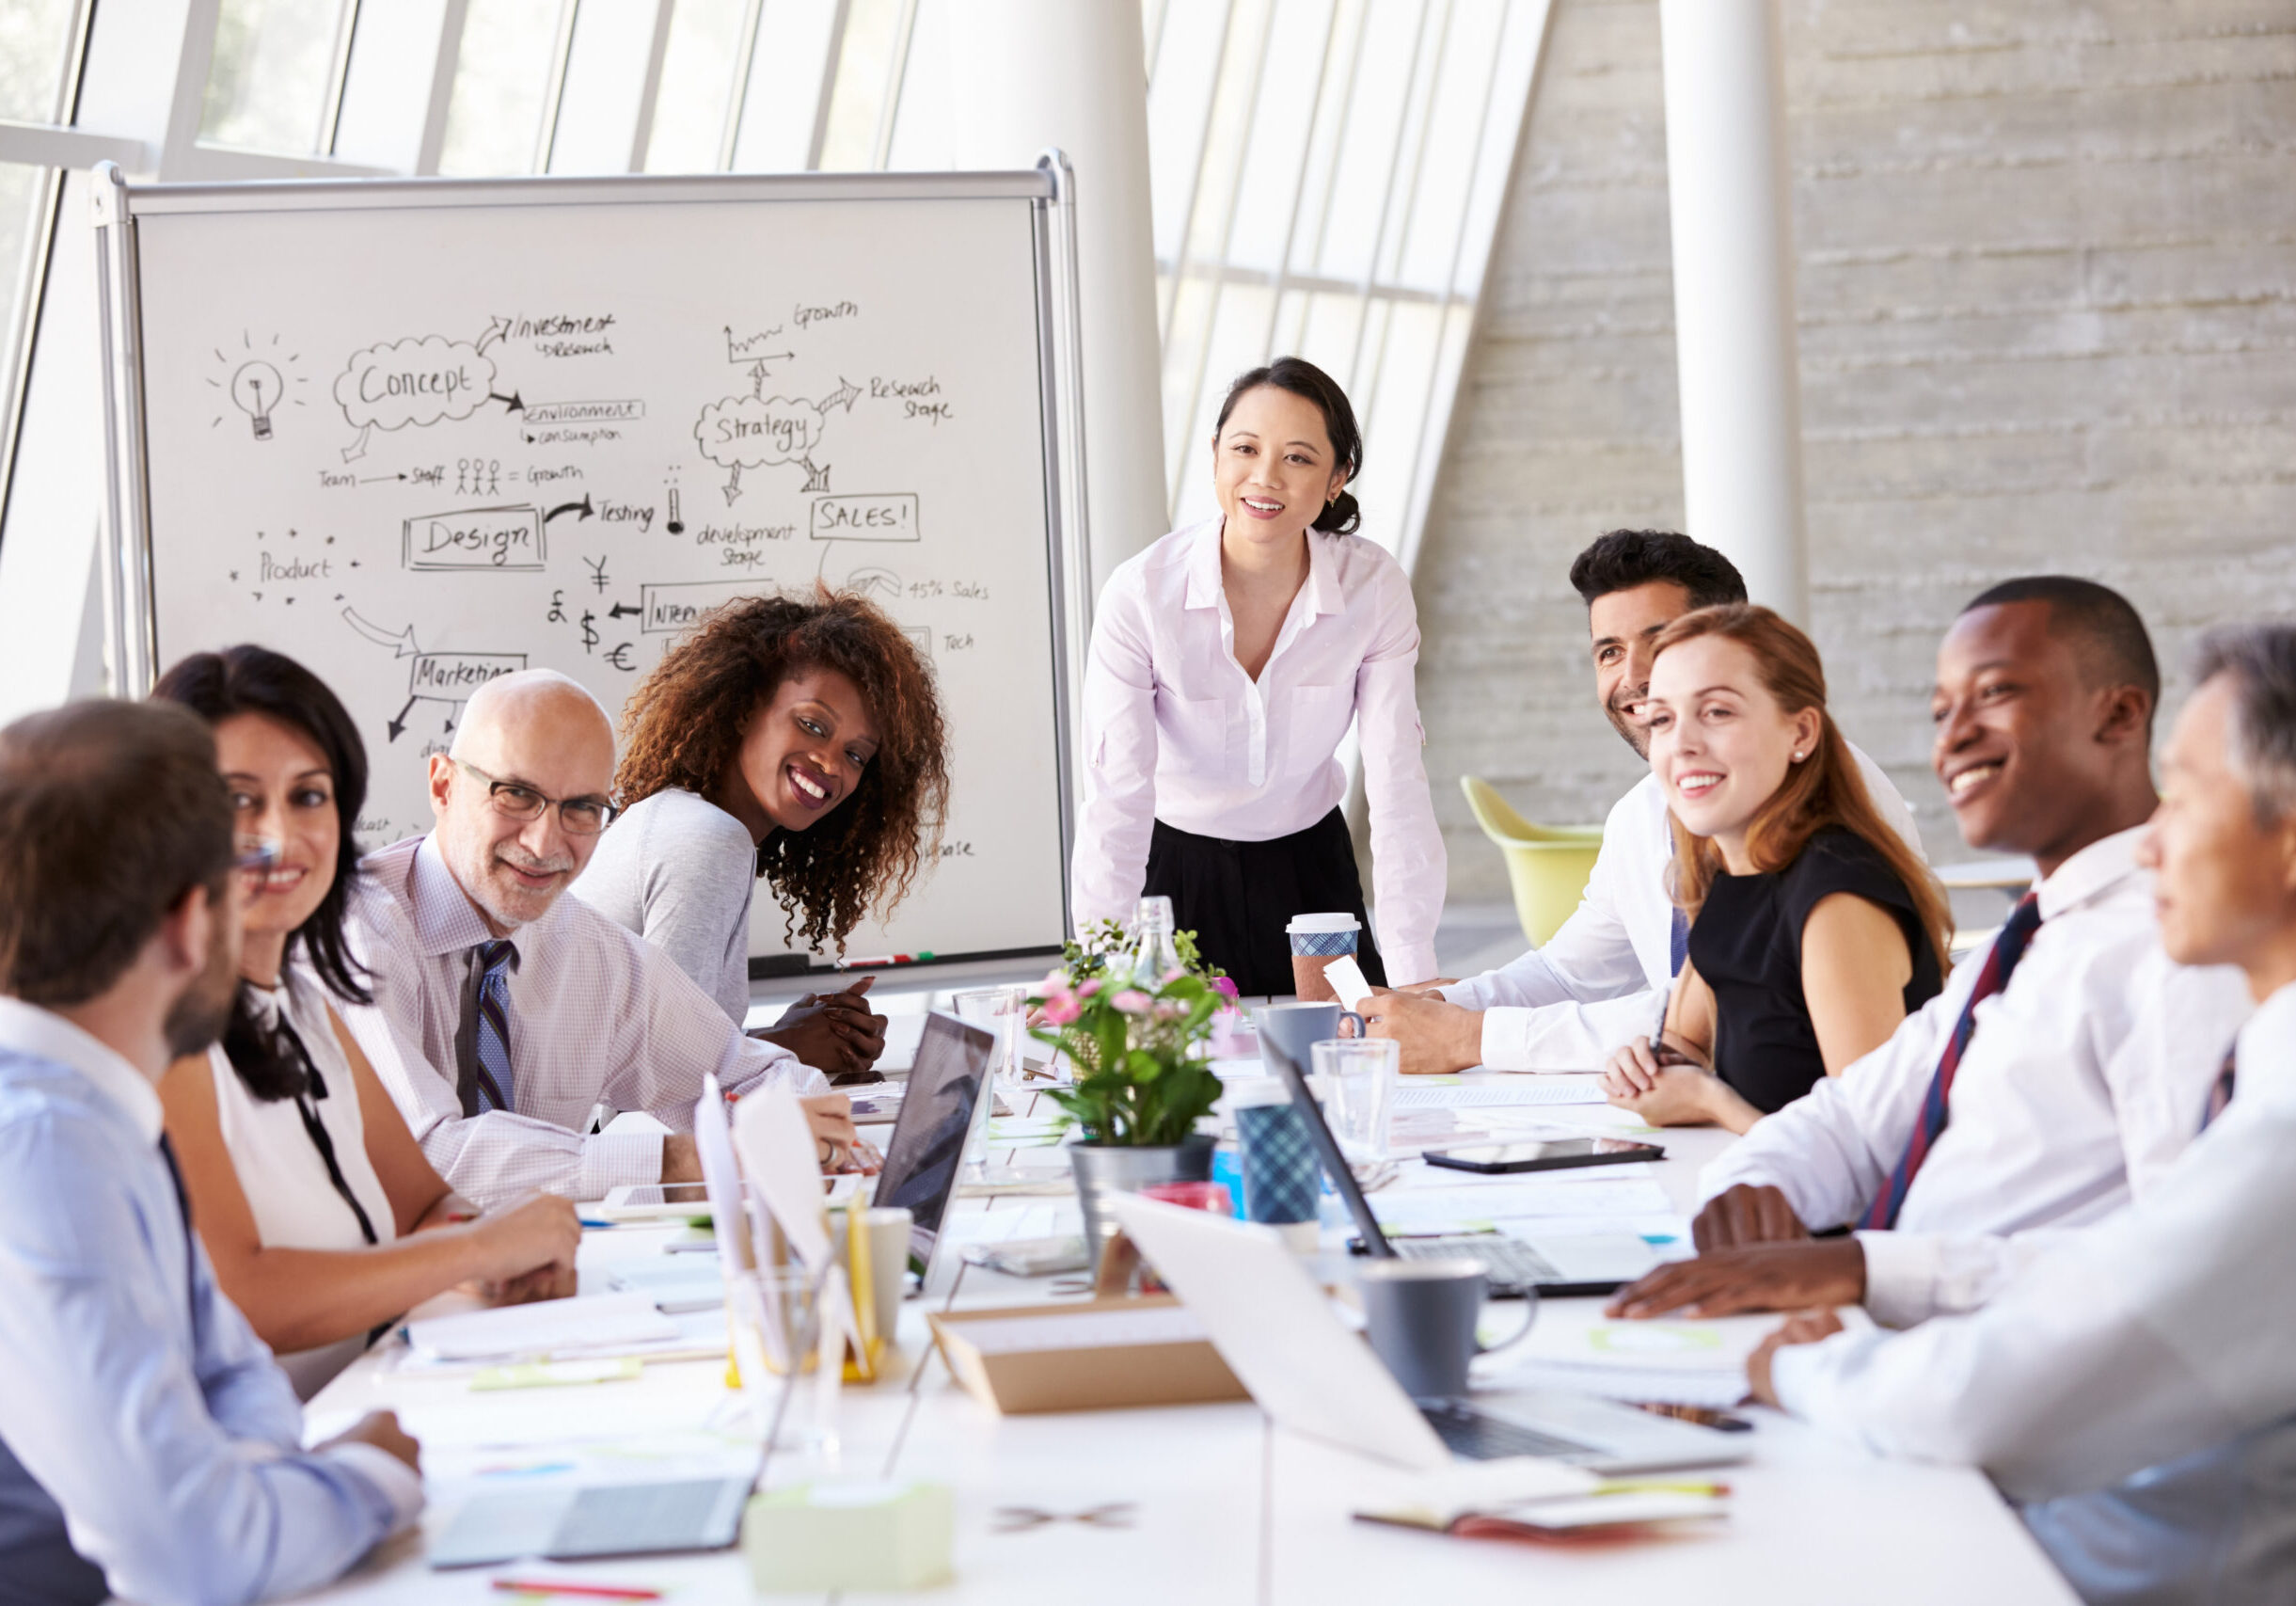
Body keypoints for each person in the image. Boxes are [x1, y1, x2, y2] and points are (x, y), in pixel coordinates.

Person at [1746, 623, 2296, 1605]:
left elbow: (1994, 1396)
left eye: (2189, 793)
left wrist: (1809, 1363)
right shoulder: (2067, 955)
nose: (2154, 840)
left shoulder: (2272, 1115)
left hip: (2085, 1559)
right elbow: (2124, 1273)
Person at [1606, 578, 2249, 1329]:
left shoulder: (2175, 953)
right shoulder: (2022, 946)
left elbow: (2183, 1265)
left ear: (2120, 713)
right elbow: (1854, 1113)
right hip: (1883, 1330)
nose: (1952, 737)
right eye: (1942, 710)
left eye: (1995, 694)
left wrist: (1860, 1271)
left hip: (1985, 1367)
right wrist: (1753, 1190)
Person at [0, 699, 422, 1605]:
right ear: (196, 920)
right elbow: (195, 1553)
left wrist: (260, 1480)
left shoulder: (96, 1107)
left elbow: (229, 1366)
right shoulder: (42, 1146)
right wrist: (370, 1480)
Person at [150, 646, 583, 1399]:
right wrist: (475, 1251)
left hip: (375, 1400)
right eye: (237, 800)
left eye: (308, 796)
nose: (280, 836)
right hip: (269, 1465)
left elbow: (422, 1202)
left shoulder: (303, 998)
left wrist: (492, 1257)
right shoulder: (161, 1032)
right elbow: (242, 1298)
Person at [1364, 530, 1921, 1073]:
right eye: (1609, 651)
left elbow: (1730, 1018)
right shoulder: (1647, 811)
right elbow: (1575, 975)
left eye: (1661, 645)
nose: (1635, 679)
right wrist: (1443, 1008)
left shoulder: (1825, 817)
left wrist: (1475, 1037)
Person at [337, 670, 858, 1208]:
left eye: (581, 809)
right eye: (516, 794)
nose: (544, 843)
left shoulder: (586, 949)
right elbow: (424, 1157)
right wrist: (688, 1160)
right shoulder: (354, 934)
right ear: (443, 786)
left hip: (545, 1273)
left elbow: (751, 1068)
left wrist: (805, 1131)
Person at [1069, 357, 1445, 993]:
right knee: (1173, 1076)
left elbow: (1396, 784)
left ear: (1337, 477)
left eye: (1298, 457)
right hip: (1173, 869)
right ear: (1215, 454)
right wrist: (1097, 975)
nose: (1264, 477)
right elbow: (1116, 798)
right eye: (1245, 448)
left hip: (1310, 869)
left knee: (1353, 1051)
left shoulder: (1372, 588)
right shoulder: (1141, 594)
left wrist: (1415, 975)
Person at [1592, 604, 1948, 1131]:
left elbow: (1876, 1146)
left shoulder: (1838, 899)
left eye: (1717, 712)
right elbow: (1684, 1044)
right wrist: (1646, 1066)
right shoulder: (1729, 872)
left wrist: (1712, 1104)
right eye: (1663, 718)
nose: (1682, 744)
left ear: (1801, 733)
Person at [576, 590, 950, 1076]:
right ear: (744, 708)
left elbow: (661, 1049)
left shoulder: (684, 820)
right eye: (813, 724)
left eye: (856, 755)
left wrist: (776, 1037)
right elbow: (659, 1080)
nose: (831, 763)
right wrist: (791, 1046)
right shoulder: (705, 837)